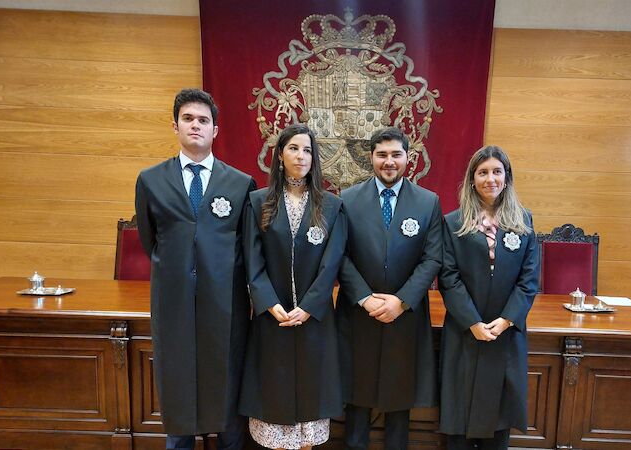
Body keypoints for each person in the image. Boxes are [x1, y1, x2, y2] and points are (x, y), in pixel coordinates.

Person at [134, 88, 256, 450]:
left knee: (226, 386)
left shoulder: (240, 183)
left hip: (225, 304)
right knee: (178, 384)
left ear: (215, 130)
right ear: (175, 126)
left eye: (203, 120)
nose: (195, 126)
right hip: (173, 303)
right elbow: (150, 241)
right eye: (187, 119)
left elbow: (246, 247)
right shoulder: (151, 180)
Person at [239, 124, 345, 449]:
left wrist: (309, 306)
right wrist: (270, 304)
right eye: (294, 148)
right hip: (274, 318)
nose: (301, 156)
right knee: (274, 394)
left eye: (307, 150)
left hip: (314, 319)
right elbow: (252, 261)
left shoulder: (332, 206)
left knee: (311, 400)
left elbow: (331, 264)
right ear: (280, 155)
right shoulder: (258, 202)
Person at [336, 127, 442, 450]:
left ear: (408, 157)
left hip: (405, 317)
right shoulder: (347, 199)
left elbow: (433, 258)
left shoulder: (427, 202)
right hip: (359, 314)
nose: (389, 161)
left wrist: (402, 301)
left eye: (396, 154)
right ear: (371, 157)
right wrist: (364, 298)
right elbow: (339, 255)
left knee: (399, 400)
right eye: (381, 154)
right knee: (357, 397)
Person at [438, 145, 540, 450]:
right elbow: (448, 278)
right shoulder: (454, 222)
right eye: (483, 172)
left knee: (498, 419)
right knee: (459, 417)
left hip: (504, 333)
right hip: (464, 330)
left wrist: (506, 320)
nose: (490, 179)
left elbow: (529, 280)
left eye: (497, 171)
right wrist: (472, 322)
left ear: (507, 177)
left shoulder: (523, 221)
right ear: (472, 179)